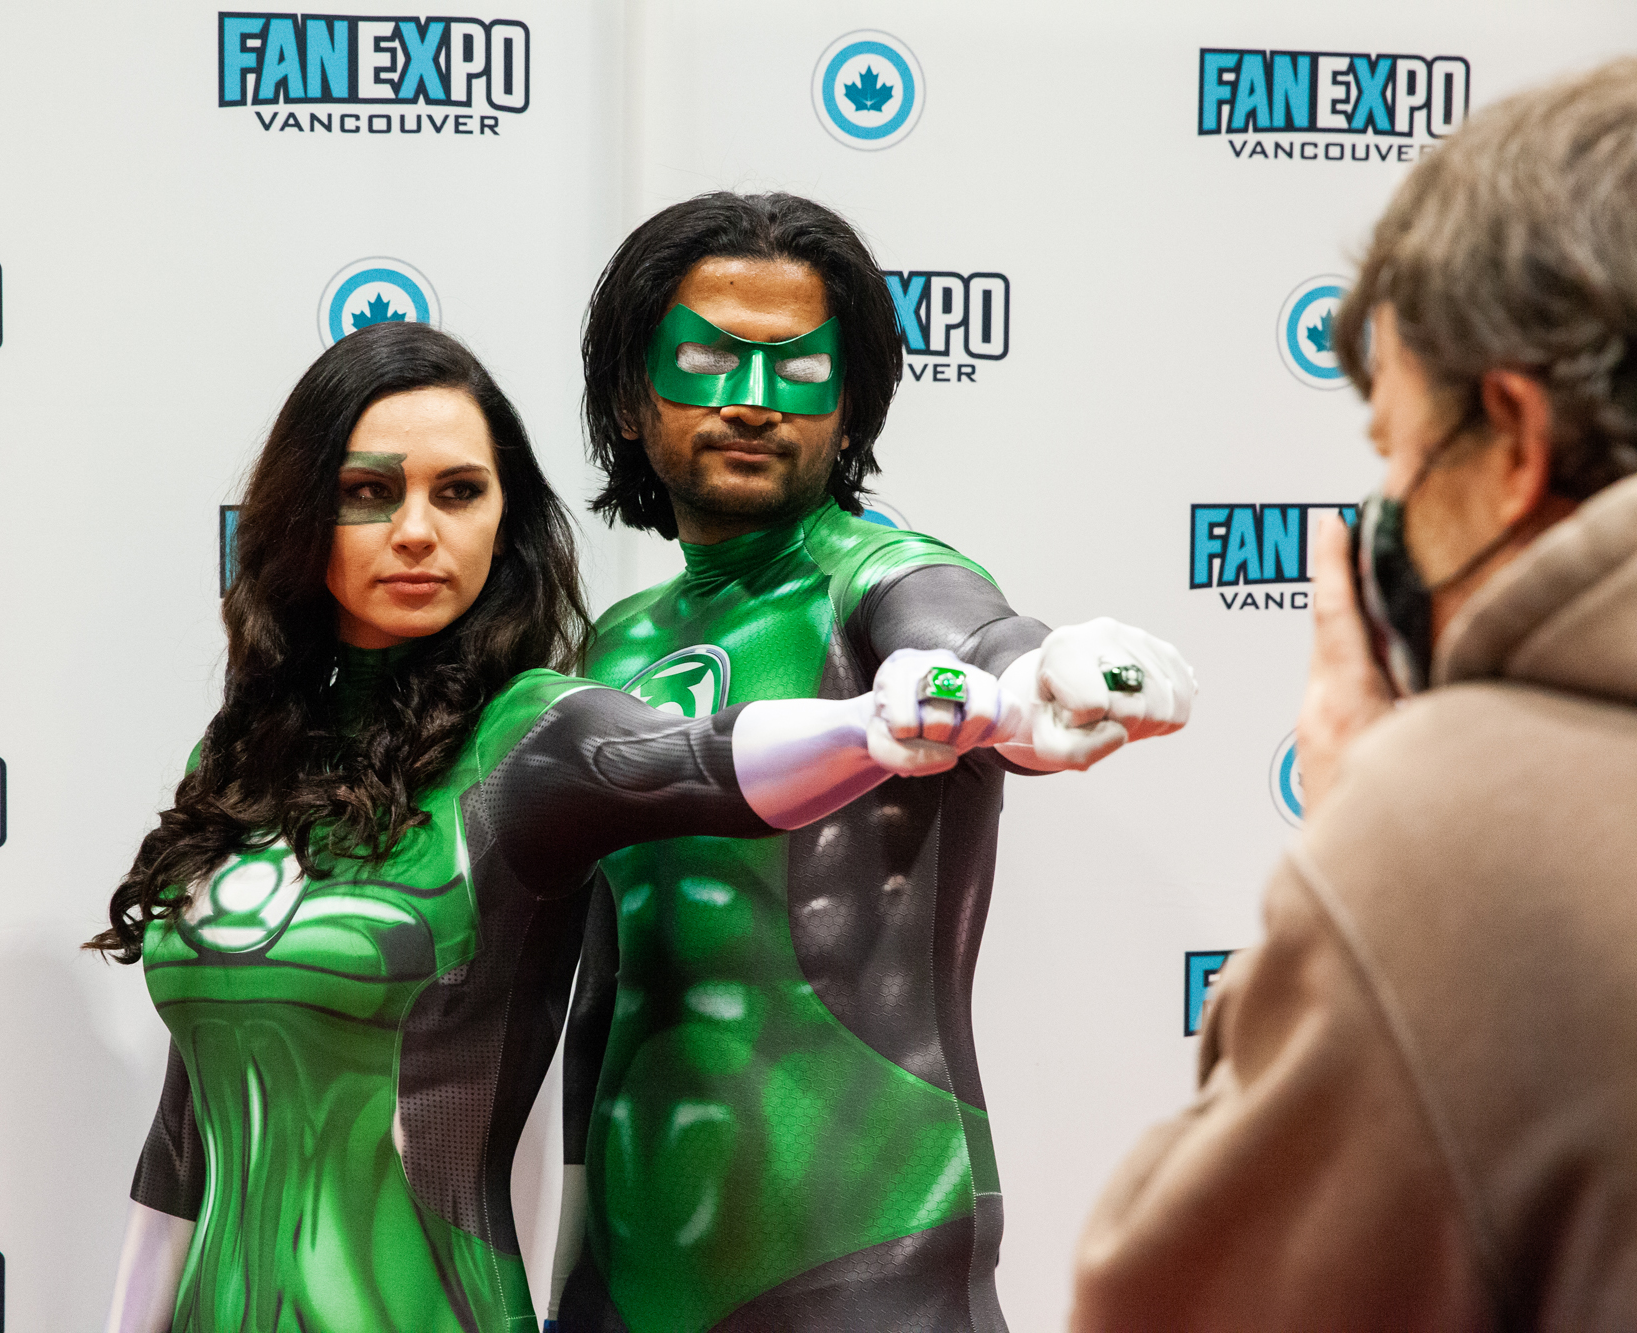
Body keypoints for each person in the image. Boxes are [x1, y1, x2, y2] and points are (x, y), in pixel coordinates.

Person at [86, 321, 1047, 1333]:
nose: (417, 531)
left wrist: (876, 725)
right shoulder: (235, 762)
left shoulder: (534, 734)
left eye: (457, 492)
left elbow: (705, 761)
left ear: (504, 519)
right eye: (369, 492)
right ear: (302, 515)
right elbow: (184, 1135)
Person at [550, 192, 1197, 1333]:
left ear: (850, 409)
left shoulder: (877, 578)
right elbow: (599, 985)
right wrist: (570, 1263)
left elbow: (972, 642)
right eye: (703, 360)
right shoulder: (605, 650)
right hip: (629, 1280)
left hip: (875, 1266)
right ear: (629, 392)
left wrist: (1049, 673)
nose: (750, 402)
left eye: (797, 370)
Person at [1072, 59, 1637, 1330]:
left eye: (1391, 447)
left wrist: (1363, 821)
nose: (1380, 515)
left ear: (1512, 439)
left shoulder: (1452, 832)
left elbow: (1161, 1299)